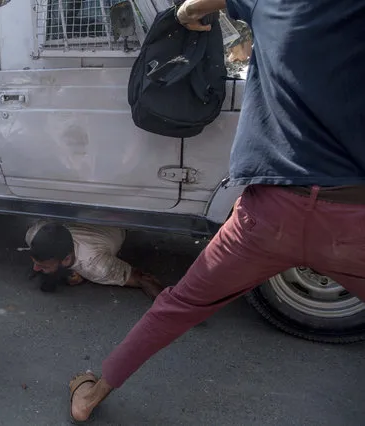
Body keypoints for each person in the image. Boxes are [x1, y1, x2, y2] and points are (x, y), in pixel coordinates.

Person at [67, 0, 365, 422]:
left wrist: (189, 16)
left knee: (179, 305)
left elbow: (194, 6)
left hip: (269, 213)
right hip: (354, 216)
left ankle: (92, 394)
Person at [25, 221, 164, 297]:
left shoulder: (96, 266)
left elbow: (142, 278)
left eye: (44, 266)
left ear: (66, 259)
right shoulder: (33, 235)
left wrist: (170, 306)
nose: (35, 268)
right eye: (35, 262)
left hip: (117, 220)